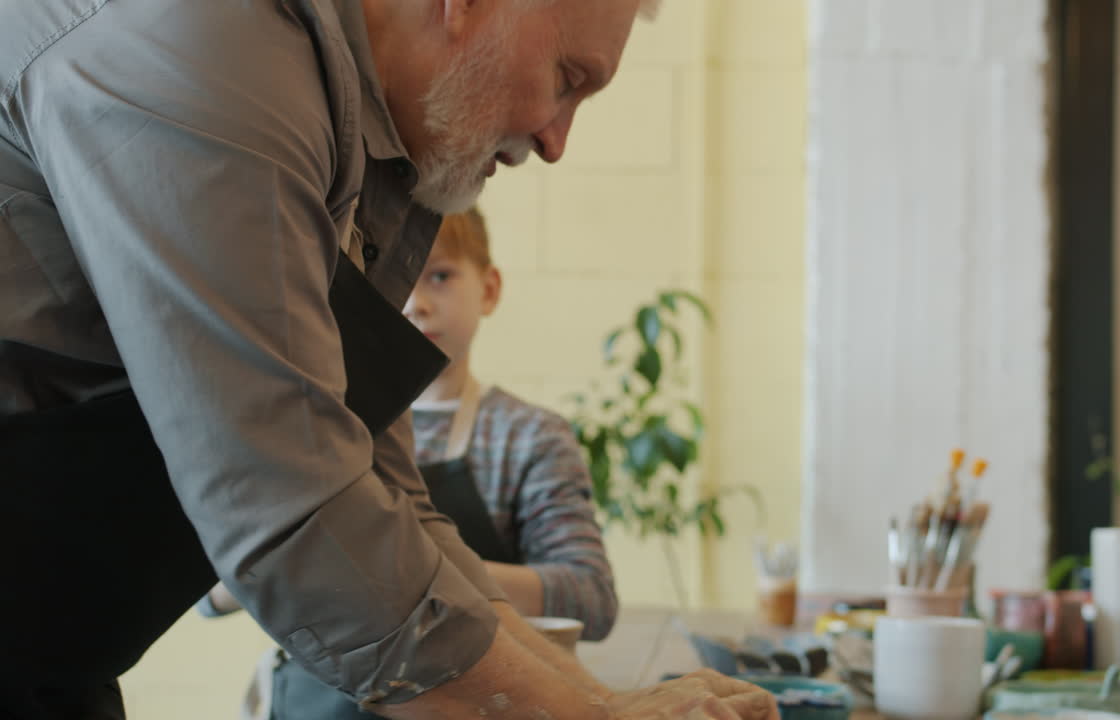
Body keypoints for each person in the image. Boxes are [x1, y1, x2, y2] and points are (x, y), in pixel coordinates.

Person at [0, 1, 779, 719]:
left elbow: (385, 499)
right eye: (566, 80)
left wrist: (603, 700)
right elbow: (296, 506)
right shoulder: (205, 50)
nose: (554, 140)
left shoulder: (339, 133)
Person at [201, 207, 620, 718]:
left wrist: (415, 577)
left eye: (440, 276)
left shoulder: (526, 437)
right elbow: (209, 593)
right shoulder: (319, 427)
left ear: (488, 289)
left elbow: (590, 597)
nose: (417, 304)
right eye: (399, 287)